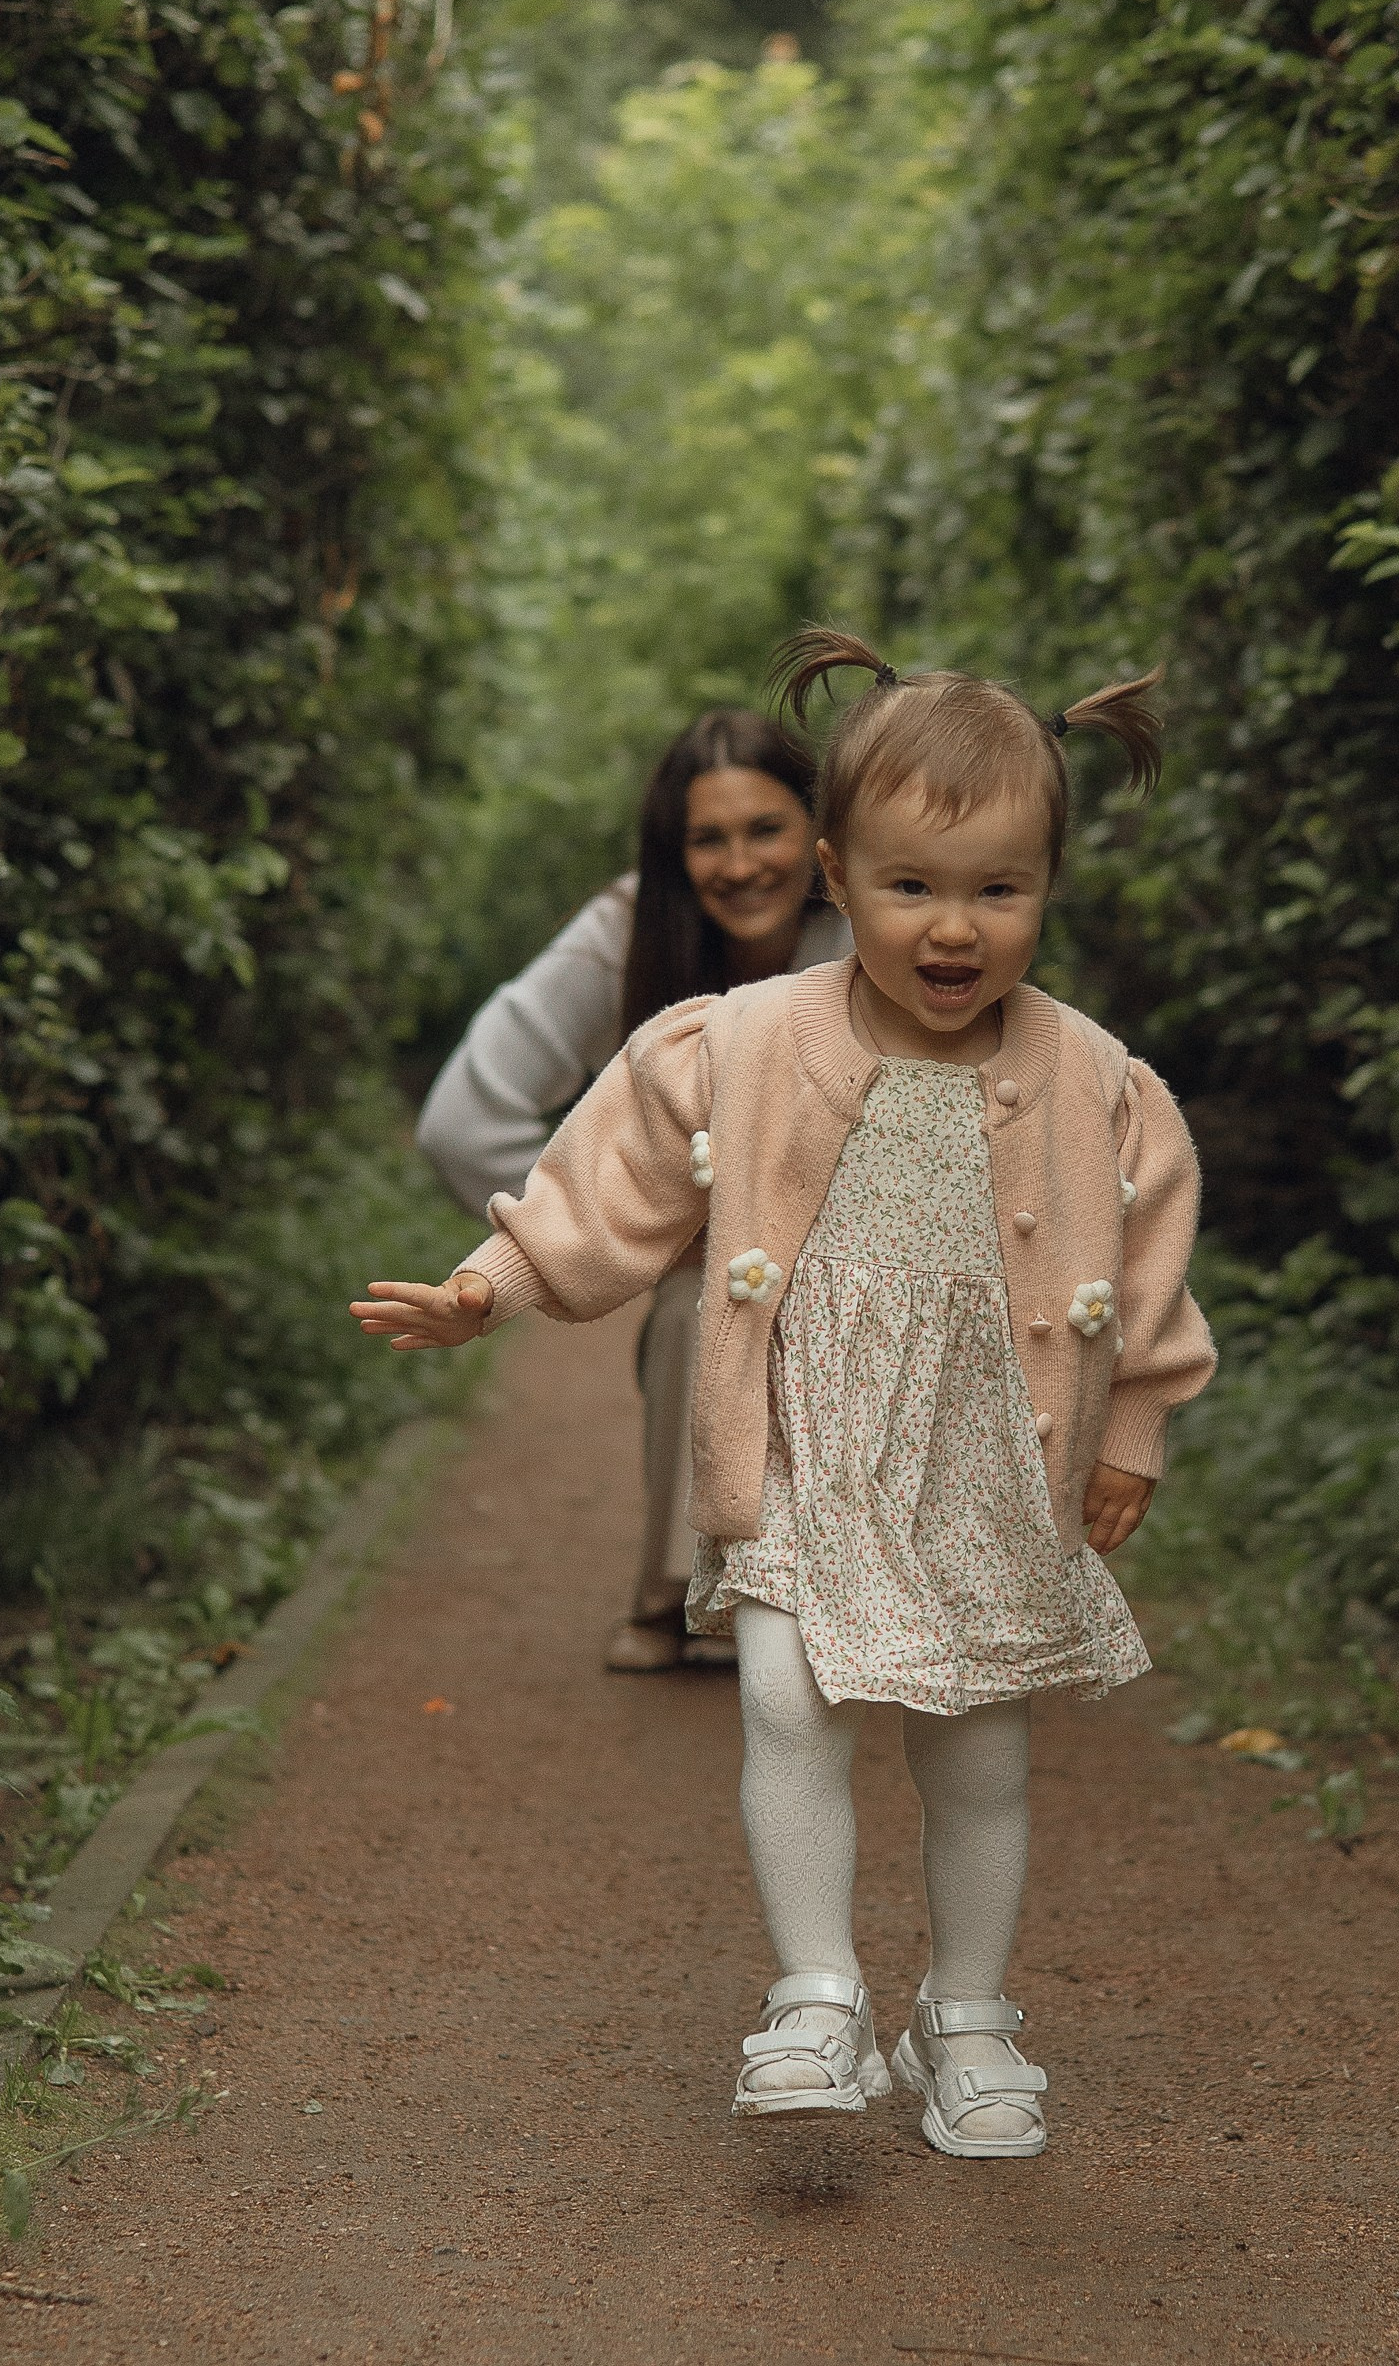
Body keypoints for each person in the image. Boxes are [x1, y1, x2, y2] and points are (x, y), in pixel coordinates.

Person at [356, 627, 1215, 2161]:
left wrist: (1134, 1432)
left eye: (998, 891)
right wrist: (491, 1284)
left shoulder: (1096, 1083)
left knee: (979, 1744)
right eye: (910, 888)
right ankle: (817, 1993)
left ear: (1045, 890)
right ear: (838, 874)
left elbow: (1148, 1274)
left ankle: (965, 2015)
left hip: (987, 1467)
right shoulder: (745, 1043)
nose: (954, 930)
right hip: (810, 1442)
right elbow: (606, 1171)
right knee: (782, 1693)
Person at [414, 709, 849, 1672]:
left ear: (818, 838)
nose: (740, 864)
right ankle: (675, 1601)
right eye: (708, 839)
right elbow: (461, 1124)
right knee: (699, 1306)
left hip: (876, 1240)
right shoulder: (626, 929)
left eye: (766, 829)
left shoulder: (871, 921)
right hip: (724, 1253)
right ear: (672, 852)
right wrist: (615, 1230)